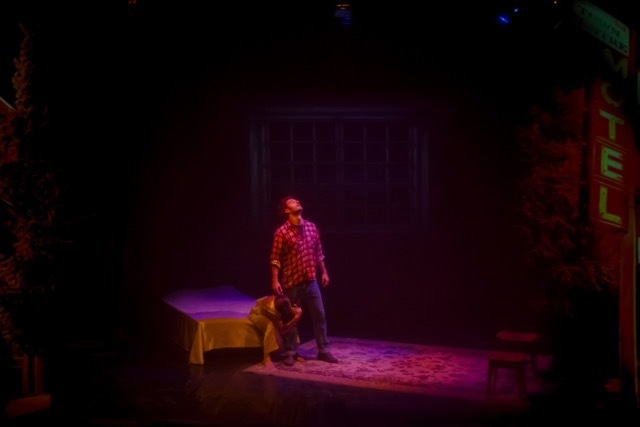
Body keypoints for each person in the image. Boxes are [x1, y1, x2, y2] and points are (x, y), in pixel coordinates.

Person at [270, 196, 338, 363]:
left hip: (311, 281)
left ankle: (323, 350)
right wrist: (275, 280)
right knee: (290, 318)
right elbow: (275, 258)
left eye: (298, 201)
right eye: (293, 202)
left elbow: (318, 253)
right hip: (291, 282)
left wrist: (324, 272)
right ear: (286, 210)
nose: (298, 202)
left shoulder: (311, 227)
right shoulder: (281, 232)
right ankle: (290, 352)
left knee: (319, 315)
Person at [249, 293, 302, 367]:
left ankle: (292, 352)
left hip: (274, 313)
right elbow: (282, 330)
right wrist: (296, 317)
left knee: (292, 323)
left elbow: (288, 312)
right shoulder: (272, 311)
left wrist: (295, 312)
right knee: (270, 325)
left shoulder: (282, 301)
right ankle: (266, 357)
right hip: (257, 315)